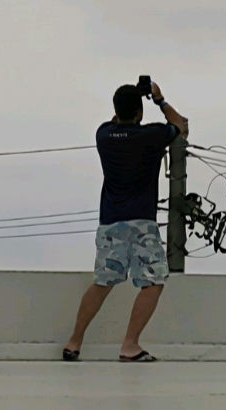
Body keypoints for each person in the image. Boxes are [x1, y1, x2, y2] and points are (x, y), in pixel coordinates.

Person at [63, 79, 188, 363]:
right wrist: (159, 99)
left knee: (102, 283)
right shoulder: (153, 135)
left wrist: (127, 107)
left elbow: (118, 122)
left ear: (115, 111)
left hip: (110, 223)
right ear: (140, 112)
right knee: (153, 281)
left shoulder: (104, 135)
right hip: (142, 223)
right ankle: (130, 344)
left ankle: (74, 342)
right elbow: (181, 125)